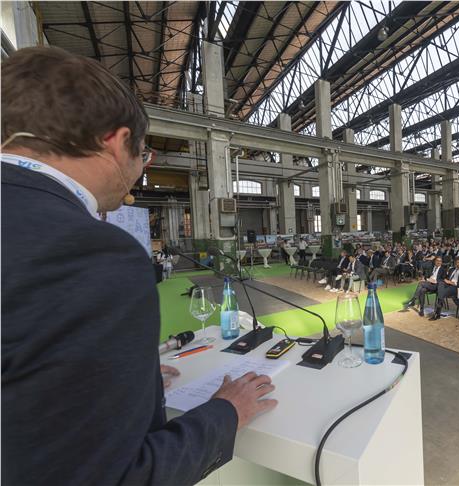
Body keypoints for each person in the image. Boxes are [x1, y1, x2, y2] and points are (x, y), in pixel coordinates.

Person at [1, 47, 277, 485]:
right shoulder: (91, 252)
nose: (138, 171)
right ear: (114, 141)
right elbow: (113, 477)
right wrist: (226, 412)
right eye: (143, 155)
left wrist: (132, 389)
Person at [430, 256, 459, 321]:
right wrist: (445, 279)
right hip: (448, 286)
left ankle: (437, 314)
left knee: (441, 293)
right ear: (455, 263)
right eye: (458, 262)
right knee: (441, 284)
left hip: (457, 287)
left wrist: (451, 282)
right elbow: (447, 278)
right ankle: (437, 313)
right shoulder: (451, 269)